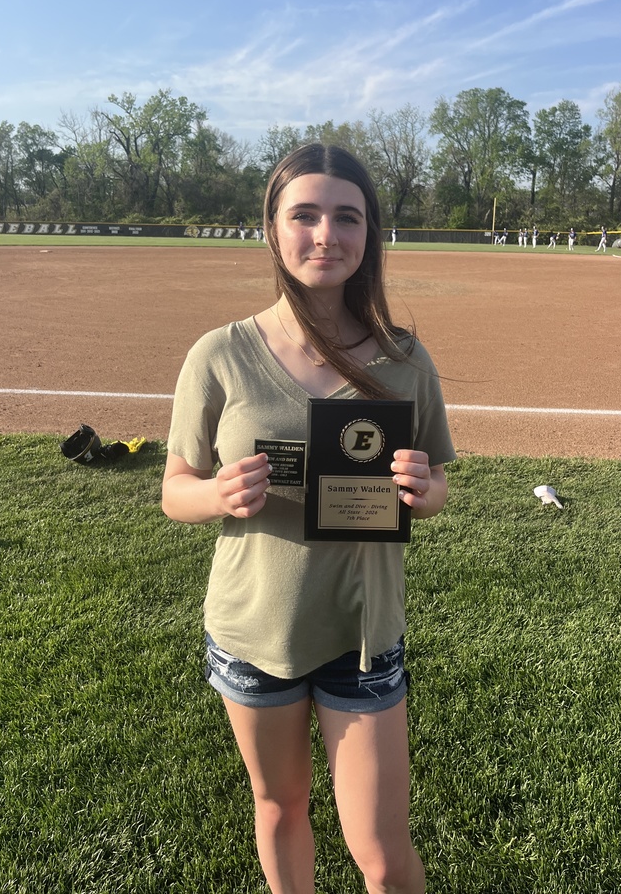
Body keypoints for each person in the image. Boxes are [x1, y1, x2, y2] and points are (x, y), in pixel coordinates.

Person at [162, 143, 455, 894]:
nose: (326, 234)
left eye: (347, 217)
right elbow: (175, 490)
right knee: (280, 804)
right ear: (272, 228)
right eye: (305, 215)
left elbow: (438, 482)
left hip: (363, 631)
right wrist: (218, 494)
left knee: (383, 855)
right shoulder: (219, 354)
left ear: (369, 233)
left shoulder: (404, 359)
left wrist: (422, 489)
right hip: (255, 627)